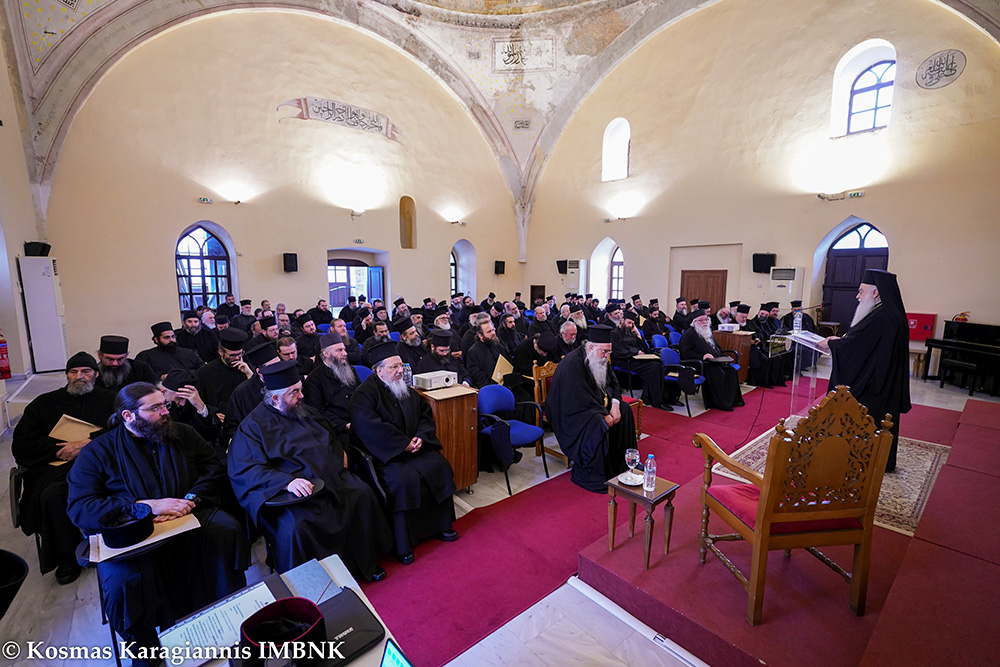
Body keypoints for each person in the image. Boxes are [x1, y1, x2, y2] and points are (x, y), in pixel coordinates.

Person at [67, 383, 248, 665]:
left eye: (164, 405)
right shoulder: (99, 451)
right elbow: (81, 507)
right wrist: (147, 507)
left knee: (226, 531)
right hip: (133, 532)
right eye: (155, 408)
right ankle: (146, 652)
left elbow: (213, 468)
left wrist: (190, 500)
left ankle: (222, 622)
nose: (165, 412)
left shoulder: (182, 433)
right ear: (128, 416)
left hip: (186, 516)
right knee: (122, 582)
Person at [229, 360, 392, 580]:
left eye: (300, 389)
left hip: (331, 478)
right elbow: (246, 469)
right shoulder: (251, 427)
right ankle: (315, 581)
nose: (302, 396)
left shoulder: (302, 410)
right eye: (294, 392)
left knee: (362, 494)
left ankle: (365, 563)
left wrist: (341, 451)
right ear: (275, 399)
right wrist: (286, 483)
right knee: (297, 527)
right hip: (296, 494)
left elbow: (331, 432)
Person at [349, 342, 458, 564]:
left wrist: (421, 436)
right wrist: (403, 445)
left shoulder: (404, 388)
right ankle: (404, 543)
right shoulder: (363, 396)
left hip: (414, 448)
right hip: (386, 456)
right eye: (394, 367)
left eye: (401, 366)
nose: (400, 371)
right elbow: (371, 429)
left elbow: (424, 414)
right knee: (402, 481)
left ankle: (441, 525)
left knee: (439, 465)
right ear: (379, 370)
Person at [12, 352, 115, 584]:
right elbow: (23, 444)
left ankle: (114, 540)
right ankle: (67, 556)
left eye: (86, 371)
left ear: (96, 374)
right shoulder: (43, 404)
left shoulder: (111, 400)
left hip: (101, 464)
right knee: (51, 495)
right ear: (67, 375)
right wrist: (63, 448)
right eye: (73, 372)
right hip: (57, 468)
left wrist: (87, 443)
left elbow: (122, 429)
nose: (80, 376)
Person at [818, 268, 911, 472]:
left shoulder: (883, 316)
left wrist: (832, 344)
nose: (857, 296)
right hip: (884, 381)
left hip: (875, 386)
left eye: (861, 291)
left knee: (868, 420)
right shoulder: (886, 312)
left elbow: (858, 348)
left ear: (875, 292)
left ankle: (860, 459)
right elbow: (865, 344)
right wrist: (840, 341)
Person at [545, 326, 635, 492]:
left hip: (593, 404)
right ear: (591, 347)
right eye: (604, 351)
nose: (607, 356)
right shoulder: (573, 363)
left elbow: (614, 383)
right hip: (569, 411)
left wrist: (615, 405)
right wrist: (604, 414)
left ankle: (621, 465)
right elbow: (578, 398)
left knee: (625, 409)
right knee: (598, 422)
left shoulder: (600, 358)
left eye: (609, 352)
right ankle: (595, 475)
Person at [679, 310, 745, 411]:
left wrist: (724, 356)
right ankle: (720, 403)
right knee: (719, 373)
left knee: (731, 371)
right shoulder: (688, 335)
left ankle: (733, 400)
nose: (704, 322)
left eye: (706, 319)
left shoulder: (707, 332)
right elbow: (685, 353)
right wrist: (702, 356)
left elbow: (717, 348)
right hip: (698, 364)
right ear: (694, 322)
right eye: (701, 320)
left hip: (713, 361)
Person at [303, 331, 361, 440]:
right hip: (337, 429)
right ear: (326, 354)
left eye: (344, 349)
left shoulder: (351, 370)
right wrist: (344, 425)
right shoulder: (314, 379)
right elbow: (318, 411)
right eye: (339, 350)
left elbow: (361, 394)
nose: (345, 353)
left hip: (359, 420)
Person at [611, 310, 672, 410]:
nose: (631, 326)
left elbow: (646, 350)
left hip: (636, 359)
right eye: (629, 323)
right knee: (653, 366)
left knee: (658, 363)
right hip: (625, 360)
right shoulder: (614, 333)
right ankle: (657, 402)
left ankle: (651, 398)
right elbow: (618, 352)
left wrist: (639, 336)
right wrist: (636, 352)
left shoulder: (631, 333)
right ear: (622, 320)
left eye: (632, 324)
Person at [195, 328, 252, 418]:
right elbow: (201, 400)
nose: (237, 358)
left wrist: (249, 374)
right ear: (221, 352)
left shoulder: (246, 368)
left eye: (240, 354)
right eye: (232, 355)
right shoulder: (205, 372)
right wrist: (213, 414)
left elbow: (255, 394)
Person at [135, 321, 204, 378]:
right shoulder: (146, 356)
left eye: (173, 336)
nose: (171, 340)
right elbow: (140, 375)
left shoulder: (188, 353)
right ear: (156, 339)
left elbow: (202, 368)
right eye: (166, 337)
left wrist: (187, 374)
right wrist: (161, 376)